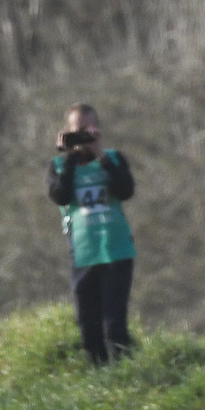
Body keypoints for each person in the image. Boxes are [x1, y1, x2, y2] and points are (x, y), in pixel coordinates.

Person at [46, 103, 136, 364]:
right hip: (84, 254)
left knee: (114, 323)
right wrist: (71, 156)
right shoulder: (59, 167)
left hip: (116, 250)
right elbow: (60, 195)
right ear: (67, 131)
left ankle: (126, 374)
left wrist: (101, 156)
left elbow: (126, 190)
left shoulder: (114, 159)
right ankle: (99, 378)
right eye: (78, 130)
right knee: (88, 324)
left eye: (90, 129)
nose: (85, 135)